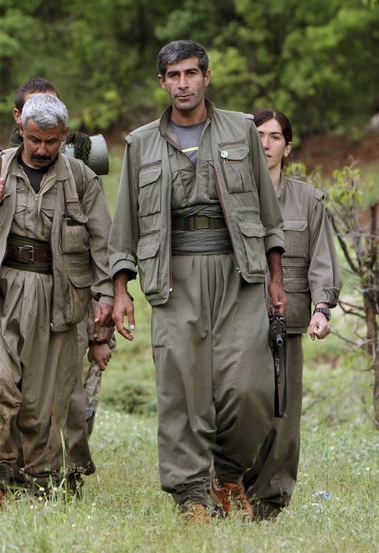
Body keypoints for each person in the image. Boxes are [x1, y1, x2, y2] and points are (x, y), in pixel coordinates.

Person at [108, 40, 287, 523]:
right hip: (174, 276)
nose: (183, 84)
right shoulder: (141, 143)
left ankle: (227, 476)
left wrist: (276, 276)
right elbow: (124, 224)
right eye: (173, 75)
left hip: (238, 273)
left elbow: (268, 212)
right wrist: (121, 291)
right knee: (181, 390)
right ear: (162, 82)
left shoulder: (241, 129)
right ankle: (191, 494)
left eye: (191, 73)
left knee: (249, 388)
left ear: (207, 77)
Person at [0, 93, 113, 507]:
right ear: (20, 128)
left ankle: (39, 481)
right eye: (34, 139)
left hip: (58, 299)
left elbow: (103, 247)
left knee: (42, 405)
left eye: (51, 142)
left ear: (64, 136)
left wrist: (106, 300)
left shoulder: (81, 179)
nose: (41, 149)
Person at [243, 109, 342, 519]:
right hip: (235, 320)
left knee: (283, 416)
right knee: (238, 404)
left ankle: (268, 499)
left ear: (287, 146)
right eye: (258, 136)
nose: (266, 144)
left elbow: (322, 260)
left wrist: (322, 309)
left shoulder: (308, 200)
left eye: (274, 137)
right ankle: (228, 486)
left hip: (289, 320)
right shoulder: (231, 195)